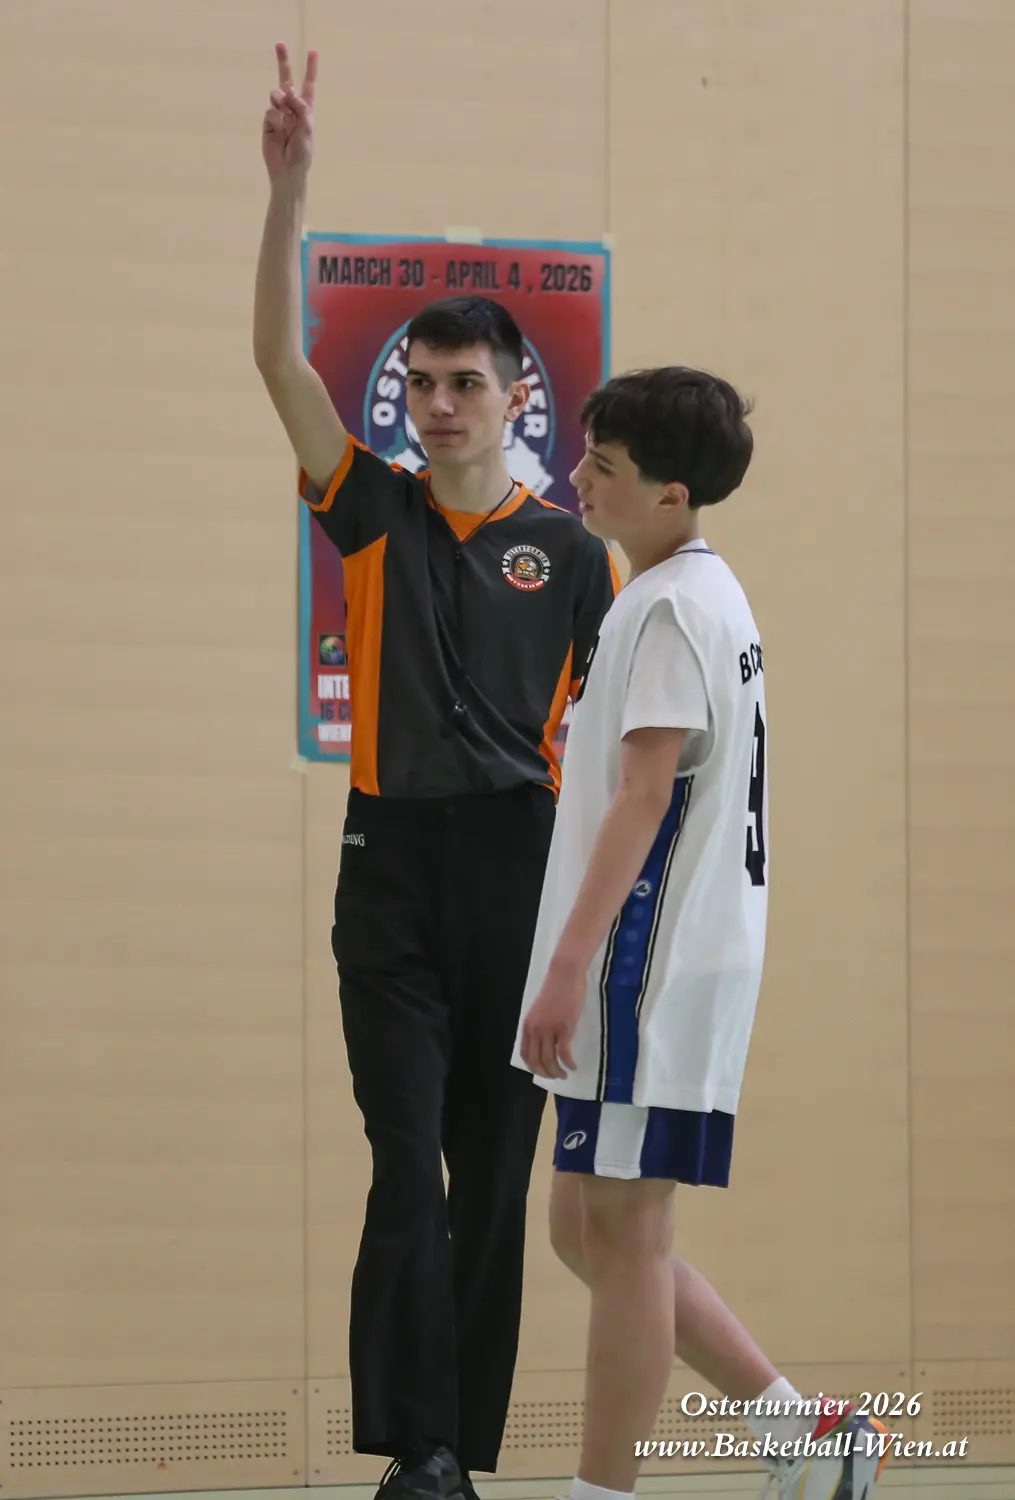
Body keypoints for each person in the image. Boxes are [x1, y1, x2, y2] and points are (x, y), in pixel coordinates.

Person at [253, 43, 620, 1500]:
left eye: (465, 382)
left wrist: (592, 943)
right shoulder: (368, 508)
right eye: (417, 381)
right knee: (406, 1162)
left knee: (491, 1182)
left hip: (518, 873)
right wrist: (288, 191)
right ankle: (416, 1448)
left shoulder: (574, 556)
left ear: (518, 395)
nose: (435, 402)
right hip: (388, 870)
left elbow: (619, 753)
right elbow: (280, 366)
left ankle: (458, 1450)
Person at [513, 367, 888, 1500]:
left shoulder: (674, 606)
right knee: (583, 1229)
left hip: (645, 963)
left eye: (603, 466)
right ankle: (804, 1432)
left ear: (672, 494)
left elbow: (642, 799)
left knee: (625, 1237)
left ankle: (600, 1493)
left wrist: (565, 969)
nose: (577, 477)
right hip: (656, 959)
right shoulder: (684, 592)